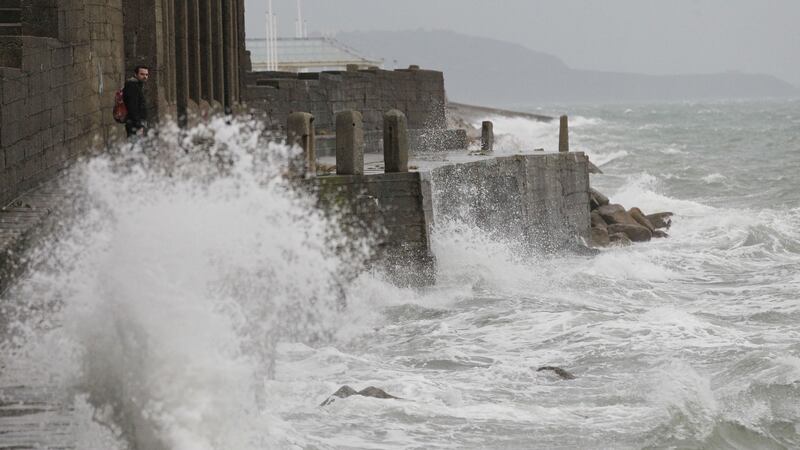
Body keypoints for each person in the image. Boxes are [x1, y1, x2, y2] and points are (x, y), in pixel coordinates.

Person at [123, 66, 149, 137]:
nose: (145, 77)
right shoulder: (132, 86)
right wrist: (138, 125)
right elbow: (132, 107)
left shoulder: (138, 85)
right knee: (135, 146)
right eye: (142, 74)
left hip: (136, 123)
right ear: (135, 74)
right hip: (134, 124)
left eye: (146, 75)